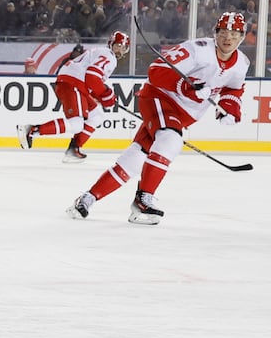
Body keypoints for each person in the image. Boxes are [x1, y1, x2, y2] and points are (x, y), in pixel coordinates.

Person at [69, 13, 248, 225]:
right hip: (159, 97)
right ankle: (142, 200)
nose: (228, 38)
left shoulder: (242, 63)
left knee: (135, 158)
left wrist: (229, 108)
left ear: (242, 37)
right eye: (224, 32)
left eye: (234, 34)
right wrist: (188, 88)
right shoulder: (197, 49)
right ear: (215, 33)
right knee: (170, 140)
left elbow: (233, 89)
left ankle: (87, 198)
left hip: (182, 115)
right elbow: (156, 71)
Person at [17, 32, 130, 161]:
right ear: (111, 44)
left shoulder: (102, 53)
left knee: (96, 115)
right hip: (73, 82)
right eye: (118, 46)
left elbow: (91, 80)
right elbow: (92, 76)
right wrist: (106, 95)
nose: (120, 50)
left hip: (74, 82)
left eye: (124, 47)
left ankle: (74, 149)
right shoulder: (109, 56)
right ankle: (32, 130)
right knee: (76, 124)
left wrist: (102, 96)